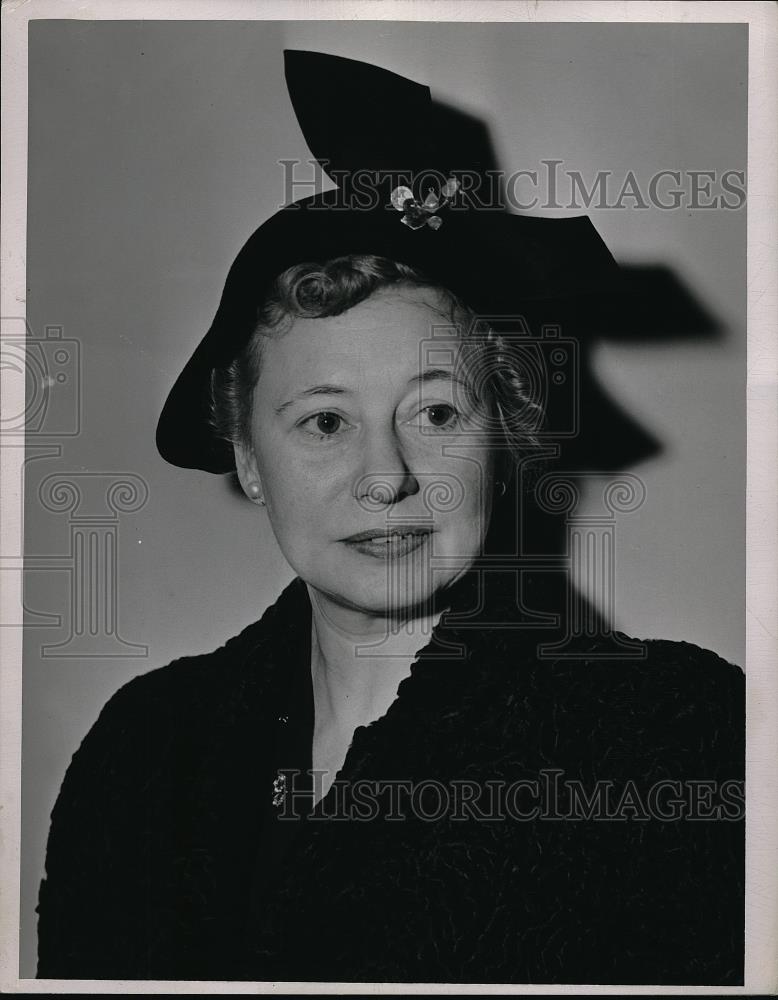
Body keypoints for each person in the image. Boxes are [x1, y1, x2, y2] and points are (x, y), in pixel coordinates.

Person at [36, 51, 744, 985]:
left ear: (506, 436)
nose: (386, 477)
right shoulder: (142, 747)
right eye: (324, 422)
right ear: (248, 458)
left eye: (437, 413)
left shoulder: (681, 736)